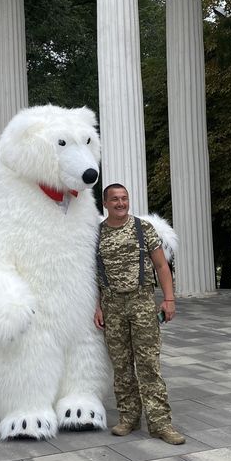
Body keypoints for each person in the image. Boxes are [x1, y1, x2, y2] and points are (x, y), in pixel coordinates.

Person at [94, 183, 185, 445]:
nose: (121, 203)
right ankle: (128, 418)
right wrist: (97, 306)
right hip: (112, 307)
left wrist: (169, 299)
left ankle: (160, 424)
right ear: (106, 203)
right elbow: (94, 276)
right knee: (121, 366)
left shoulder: (142, 228)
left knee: (148, 365)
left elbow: (161, 265)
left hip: (142, 303)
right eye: (115, 199)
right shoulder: (97, 234)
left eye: (124, 198)